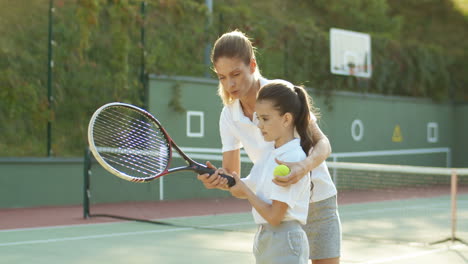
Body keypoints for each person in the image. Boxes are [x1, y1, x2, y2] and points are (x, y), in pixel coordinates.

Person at [197, 30, 341, 264]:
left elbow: (323, 145)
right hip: (279, 212)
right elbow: (234, 180)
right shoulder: (228, 116)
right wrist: (219, 181)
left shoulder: (280, 92)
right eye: (222, 77)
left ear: (252, 65)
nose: (230, 84)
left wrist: (302, 167)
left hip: (318, 200)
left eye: (236, 73)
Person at [228, 81, 312, 264]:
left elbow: (275, 216)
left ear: (286, 119)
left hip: (284, 238)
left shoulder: (292, 158)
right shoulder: (269, 154)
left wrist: (246, 192)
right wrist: (226, 180)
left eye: (265, 119)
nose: (259, 125)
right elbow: (244, 189)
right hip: (266, 238)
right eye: (258, 118)